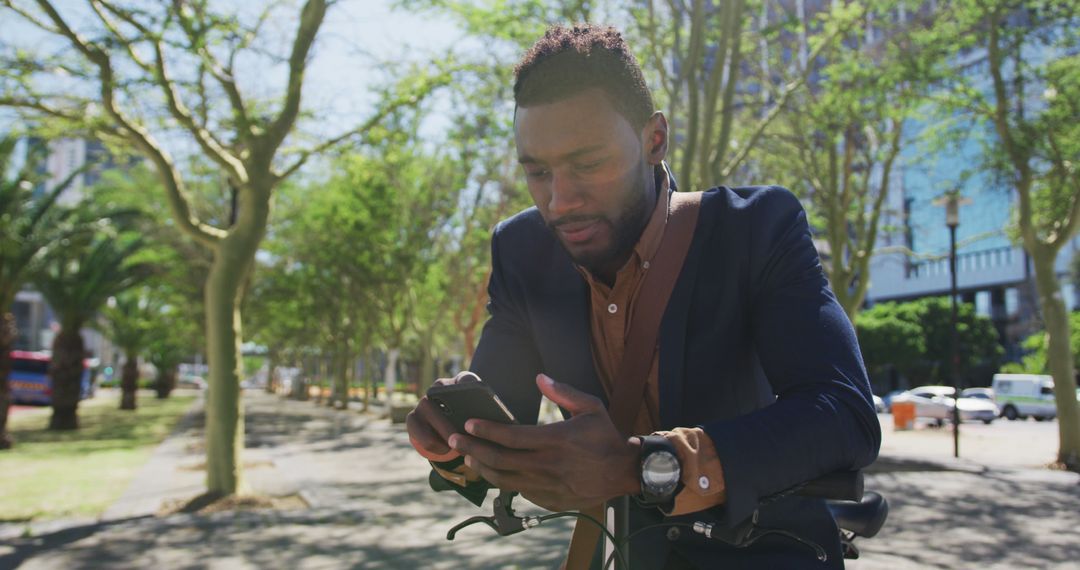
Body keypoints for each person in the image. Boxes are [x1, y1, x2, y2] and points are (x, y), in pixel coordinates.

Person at [406, 24, 880, 569]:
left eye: (588, 164)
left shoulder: (758, 230)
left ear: (654, 140)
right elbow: (500, 416)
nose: (560, 201)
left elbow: (843, 415)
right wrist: (454, 445)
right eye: (537, 172)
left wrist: (642, 466)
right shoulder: (520, 249)